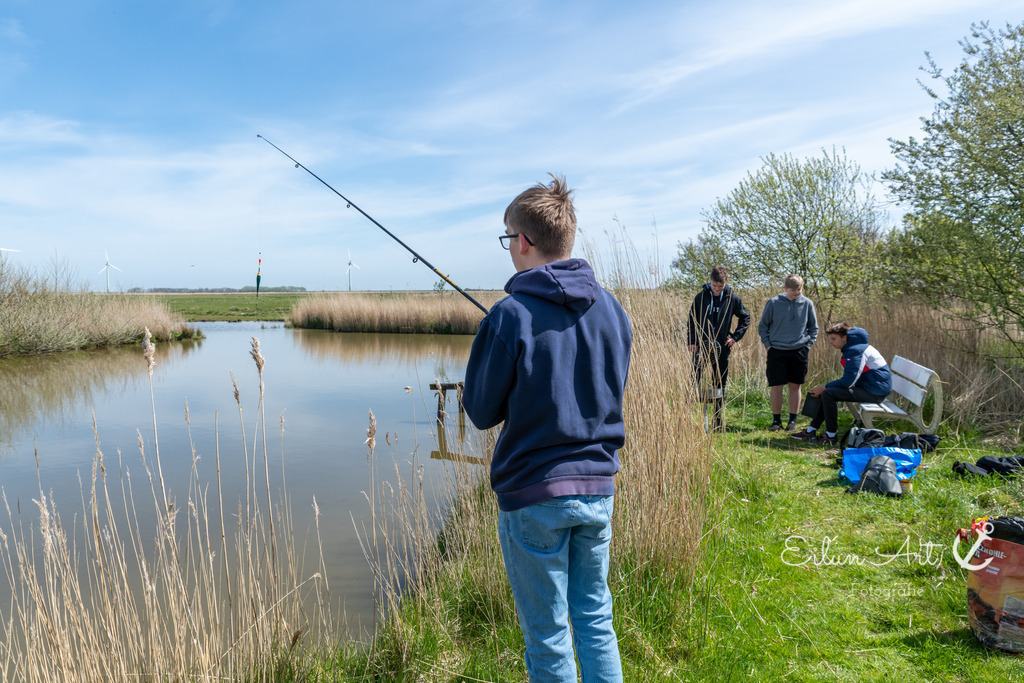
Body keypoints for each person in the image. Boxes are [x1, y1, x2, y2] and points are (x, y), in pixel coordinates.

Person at [462, 175, 632, 682]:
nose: (508, 247)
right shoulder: (615, 310)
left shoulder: (509, 315)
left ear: (522, 241)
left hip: (534, 493)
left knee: (548, 636)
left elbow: (479, 409)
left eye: (507, 237)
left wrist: (489, 340)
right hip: (599, 488)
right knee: (596, 619)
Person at [791, 322, 893, 445]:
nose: (831, 342)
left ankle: (830, 436)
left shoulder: (856, 351)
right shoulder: (856, 348)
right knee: (828, 392)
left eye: (834, 339)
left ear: (844, 338)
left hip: (875, 392)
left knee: (828, 393)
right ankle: (812, 430)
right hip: (871, 388)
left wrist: (823, 388)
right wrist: (824, 389)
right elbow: (851, 380)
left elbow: (848, 381)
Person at [687, 265, 750, 429]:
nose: (716, 289)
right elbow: (692, 320)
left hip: (721, 347)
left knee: (719, 382)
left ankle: (717, 419)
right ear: (710, 281)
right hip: (701, 346)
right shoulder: (701, 297)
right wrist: (692, 341)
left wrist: (735, 337)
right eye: (714, 285)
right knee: (694, 380)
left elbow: (745, 318)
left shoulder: (733, 298)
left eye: (720, 286)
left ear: (725, 283)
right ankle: (687, 417)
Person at [757, 274, 818, 431]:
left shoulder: (807, 304)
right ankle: (776, 421)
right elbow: (763, 326)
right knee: (776, 386)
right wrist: (768, 345)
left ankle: (793, 421)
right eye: (793, 290)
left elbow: (813, 328)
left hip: (799, 350)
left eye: (799, 289)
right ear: (785, 288)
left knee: (795, 386)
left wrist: (808, 345)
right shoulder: (773, 303)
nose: (797, 292)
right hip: (776, 350)